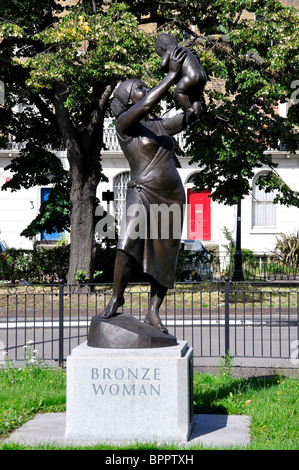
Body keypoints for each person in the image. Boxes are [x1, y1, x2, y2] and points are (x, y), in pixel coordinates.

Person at [100, 47, 188, 333]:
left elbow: (185, 120)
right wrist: (172, 74)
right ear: (127, 100)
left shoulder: (158, 127)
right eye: (138, 88)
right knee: (126, 245)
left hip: (171, 196)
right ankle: (117, 297)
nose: (145, 88)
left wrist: (192, 105)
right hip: (142, 191)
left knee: (165, 256)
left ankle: (153, 311)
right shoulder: (125, 124)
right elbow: (148, 105)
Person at [155, 33, 207, 125]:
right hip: (203, 75)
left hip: (191, 76)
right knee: (195, 99)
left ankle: (189, 110)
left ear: (163, 48)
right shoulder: (187, 50)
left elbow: (163, 65)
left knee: (179, 92)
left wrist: (166, 67)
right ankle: (195, 118)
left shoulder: (171, 50)